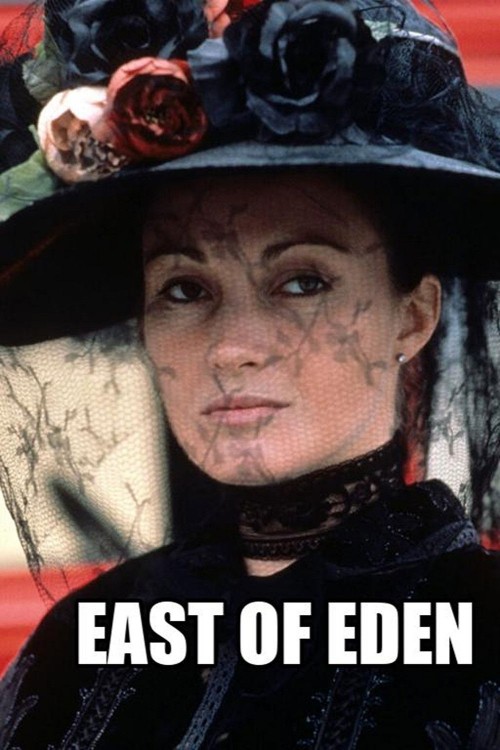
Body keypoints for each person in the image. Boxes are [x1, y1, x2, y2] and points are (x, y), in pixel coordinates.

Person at [1, 0, 500, 747]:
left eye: (302, 282)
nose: (233, 347)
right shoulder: (76, 649)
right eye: (184, 289)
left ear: (413, 315)